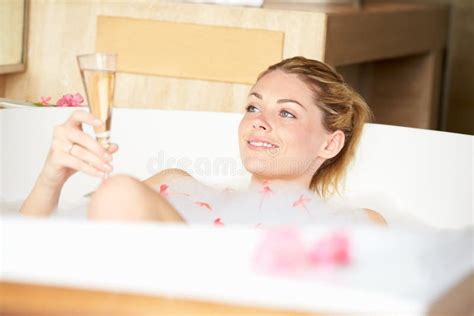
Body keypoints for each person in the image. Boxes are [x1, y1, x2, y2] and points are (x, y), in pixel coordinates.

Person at [20, 56, 386, 225]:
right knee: (118, 192)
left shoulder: (351, 224)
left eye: (286, 113)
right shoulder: (173, 185)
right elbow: (31, 259)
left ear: (330, 144)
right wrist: (52, 177)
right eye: (253, 107)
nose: (260, 123)